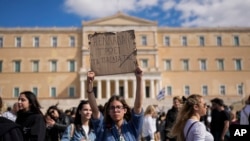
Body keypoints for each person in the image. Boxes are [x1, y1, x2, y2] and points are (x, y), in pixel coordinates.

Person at [87, 66, 143, 141]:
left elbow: (138, 106)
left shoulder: (132, 127)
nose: (115, 110)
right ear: (109, 111)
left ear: (125, 110)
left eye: (118, 107)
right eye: (112, 108)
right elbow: (94, 110)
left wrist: (139, 78)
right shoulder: (103, 129)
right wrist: (89, 85)